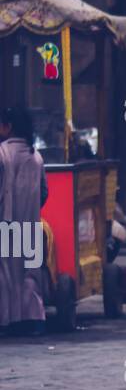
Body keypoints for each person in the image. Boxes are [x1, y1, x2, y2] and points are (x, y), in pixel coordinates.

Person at [0, 105, 47, 334]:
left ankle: (8, 322)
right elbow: (44, 192)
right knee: (31, 272)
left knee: (6, 274)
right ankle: (34, 320)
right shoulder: (36, 156)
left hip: (6, 224)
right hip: (31, 224)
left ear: (8, 127)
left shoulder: (2, 154)